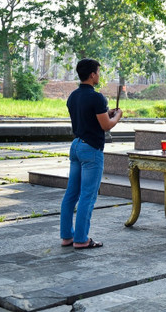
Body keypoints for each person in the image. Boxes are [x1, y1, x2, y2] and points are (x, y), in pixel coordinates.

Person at [60, 58, 122, 249]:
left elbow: (88, 117)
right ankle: (81, 239)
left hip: (76, 146)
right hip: (91, 150)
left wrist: (106, 111)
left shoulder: (73, 96)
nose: (99, 75)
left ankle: (67, 237)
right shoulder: (97, 97)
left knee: (71, 194)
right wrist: (117, 116)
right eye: (98, 72)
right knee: (88, 195)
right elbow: (105, 125)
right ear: (93, 74)